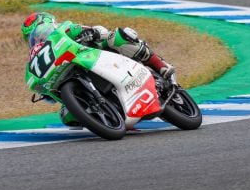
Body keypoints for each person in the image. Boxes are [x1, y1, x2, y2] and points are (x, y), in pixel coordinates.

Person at [21, 12, 176, 126]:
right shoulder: (42, 56)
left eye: (39, 33)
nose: (37, 38)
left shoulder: (65, 29)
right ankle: (108, 116)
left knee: (117, 37)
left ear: (51, 24)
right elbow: (49, 97)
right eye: (32, 38)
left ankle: (159, 65)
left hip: (100, 56)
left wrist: (91, 32)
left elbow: (98, 31)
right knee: (66, 115)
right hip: (74, 70)